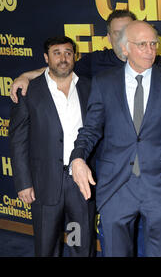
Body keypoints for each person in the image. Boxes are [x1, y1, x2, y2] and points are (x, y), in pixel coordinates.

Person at [69, 21, 161, 257]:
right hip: (116, 186)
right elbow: (90, 129)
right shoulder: (104, 83)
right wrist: (77, 158)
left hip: (160, 185)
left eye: (153, 44)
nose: (150, 50)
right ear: (125, 48)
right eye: (142, 44)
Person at [9, 36, 96, 257]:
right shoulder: (30, 92)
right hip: (44, 183)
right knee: (47, 246)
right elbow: (18, 140)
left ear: (74, 56)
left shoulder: (89, 87)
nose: (63, 58)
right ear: (46, 58)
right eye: (56, 53)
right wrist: (24, 182)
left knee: (81, 244)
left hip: (80, 182)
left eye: (68, 52)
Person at [9, 9, 161, 103]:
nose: (124, 38)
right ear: (109, 38)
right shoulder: (95, 61)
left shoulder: (157, 63)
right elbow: (61, 71)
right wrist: (26, 76)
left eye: (128, 31)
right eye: (118, 33)